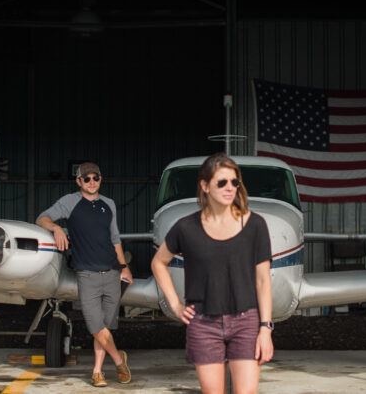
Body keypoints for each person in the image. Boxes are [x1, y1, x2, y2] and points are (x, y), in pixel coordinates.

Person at [150, 153, 273, 394]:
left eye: (234, 182)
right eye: (222, 182)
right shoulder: (185, 228)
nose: (230, 188)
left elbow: (262, 281)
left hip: (246, 322)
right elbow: (158, 262)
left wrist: (265, 329)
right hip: (203, 325)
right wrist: (175, 305)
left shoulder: (255, 225)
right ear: (205, 186)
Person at [36, 162, 133, 387]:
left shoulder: (109, 204)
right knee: (95, 326)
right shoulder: (69, 202)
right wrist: (57, 228)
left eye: (95, 178)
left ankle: (97, 371)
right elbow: (42, 218)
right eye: (86, 179)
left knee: (104, 328)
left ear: (101, 179)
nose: (91, 182)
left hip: (111, 273)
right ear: (78, 181)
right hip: (87, 275)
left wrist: (124, 266)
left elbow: (115, 239)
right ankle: (119, 360)